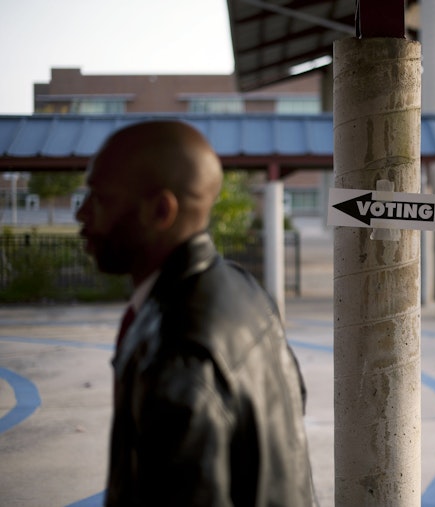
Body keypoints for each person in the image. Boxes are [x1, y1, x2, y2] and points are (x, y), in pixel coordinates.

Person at [76, 120, 314, 506]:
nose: (81, 214)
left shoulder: (177, 352)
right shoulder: (244, 289)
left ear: (160, 210)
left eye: (99, 197)